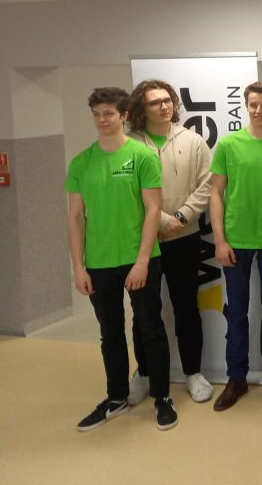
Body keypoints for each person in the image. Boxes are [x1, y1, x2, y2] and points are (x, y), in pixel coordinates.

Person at [66, 87, 176, 431]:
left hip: (140, 258)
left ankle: (162, 397)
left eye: (108, 114)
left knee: (150, 328)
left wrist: (142, 261)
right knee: (109, 333)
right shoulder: (81, 163)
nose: (102, 120)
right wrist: (79, 267)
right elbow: (75, 217)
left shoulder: (142, 157)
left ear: (124, 115)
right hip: (99, 264)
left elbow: (153, 209)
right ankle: (116, 397)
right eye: (96, 114)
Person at [124, 80, 214, 406]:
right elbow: (130, 191)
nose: (164, 106)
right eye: (155, 102)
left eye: (167, 100)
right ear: (141, 108)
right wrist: (163, 221)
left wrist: (181, 217)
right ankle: (145, 373)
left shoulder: (193, 141)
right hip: (144, 241)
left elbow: (207, 185)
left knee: (186, 306)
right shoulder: (129, 144)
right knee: (144, 312)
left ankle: (193, 372)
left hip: (185, 238)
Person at [210, 81, 262, 411]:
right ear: (246, 106)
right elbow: (215, 194)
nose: (258, 110)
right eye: (253, 104)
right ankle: (236, 378)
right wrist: (220, 240)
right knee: (237, 312)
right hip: (236, 241)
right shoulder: (228, 145)